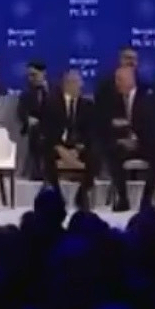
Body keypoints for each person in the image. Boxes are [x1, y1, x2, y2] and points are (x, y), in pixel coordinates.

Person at [99, 65, 155, 211]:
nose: (116, 83)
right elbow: (106, 126)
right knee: (111, 152)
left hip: (145, 144)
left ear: (131, 80)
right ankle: (123, 198)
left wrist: (137, 141)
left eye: (119, 79)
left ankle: (146, 199)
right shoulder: (111, 99)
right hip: (122, 145)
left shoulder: (148, 97)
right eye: (116, 79)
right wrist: (120, 139)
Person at [41, 69, 97, 209]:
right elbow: (46, 130)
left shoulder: (88, 105)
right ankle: (57, 197)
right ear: (66, 85)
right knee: (47, 154)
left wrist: (79, 149)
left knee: (95, 156)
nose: (79, 86)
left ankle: (82, 194)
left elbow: (91, 131)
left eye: (79, 82)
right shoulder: (51, 104)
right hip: (57, 146)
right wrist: (60, 149)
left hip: (79, 147)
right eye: (75, 83)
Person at [17, 61, 49, 179]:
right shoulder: (26, 94)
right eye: (29, 75)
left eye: (34, 75)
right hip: (34, 128)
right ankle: (36, 172)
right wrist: (28, 119)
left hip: (51, 127)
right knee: (35, 131)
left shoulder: (53, 91)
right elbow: (21, 112)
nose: (31, 78)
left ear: (43, 73)